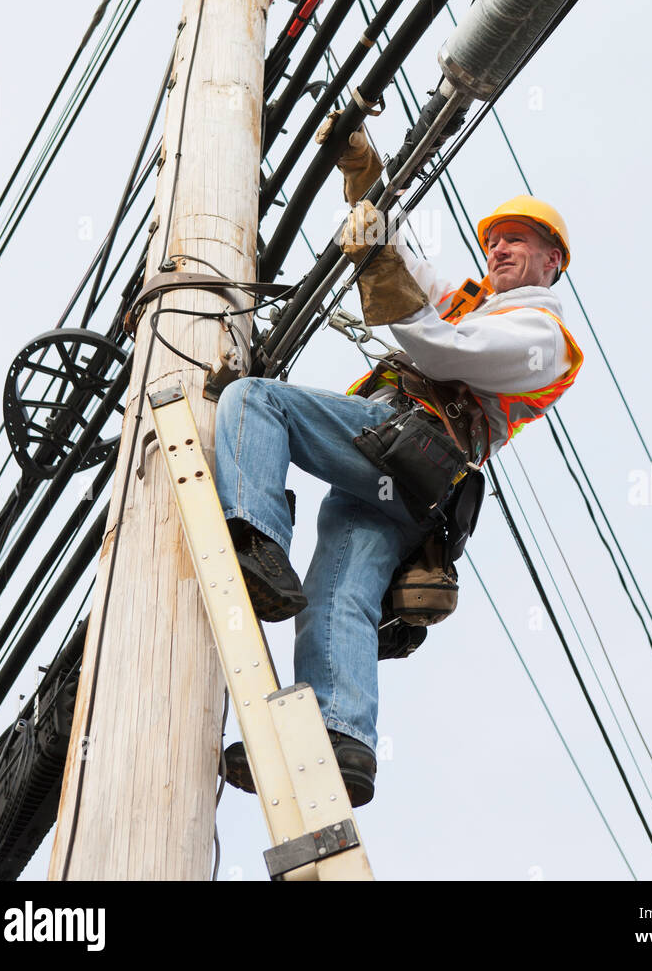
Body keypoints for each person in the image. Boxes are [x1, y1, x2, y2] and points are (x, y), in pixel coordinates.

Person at [214, 127, 582, 806]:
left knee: (256, 403)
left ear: (552, 260)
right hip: (403, 485)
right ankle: (341, 737)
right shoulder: (482, 304)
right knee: (338, 598)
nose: (498, 249)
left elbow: (444, 354)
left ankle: (251, 541)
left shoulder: (540, 335)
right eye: (494, 240)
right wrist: (366, 178)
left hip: (410, 444)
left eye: (517, 241)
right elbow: (410, 263)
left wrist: (380, 274)